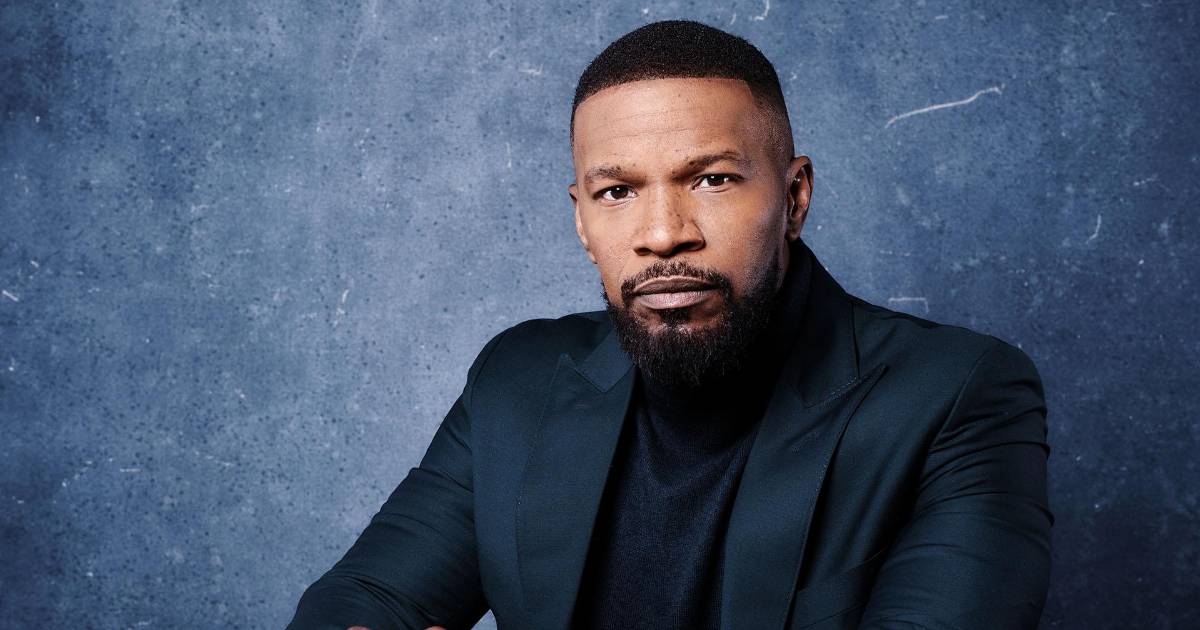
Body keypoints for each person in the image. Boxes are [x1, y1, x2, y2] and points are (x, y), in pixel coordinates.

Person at [288, 20, 1052, 630]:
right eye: (617, 192)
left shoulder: (958, 395)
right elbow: (361, 601)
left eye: (712, 179)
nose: (662, 235)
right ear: (582, 222)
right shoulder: (517, 379)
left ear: (794, 198)